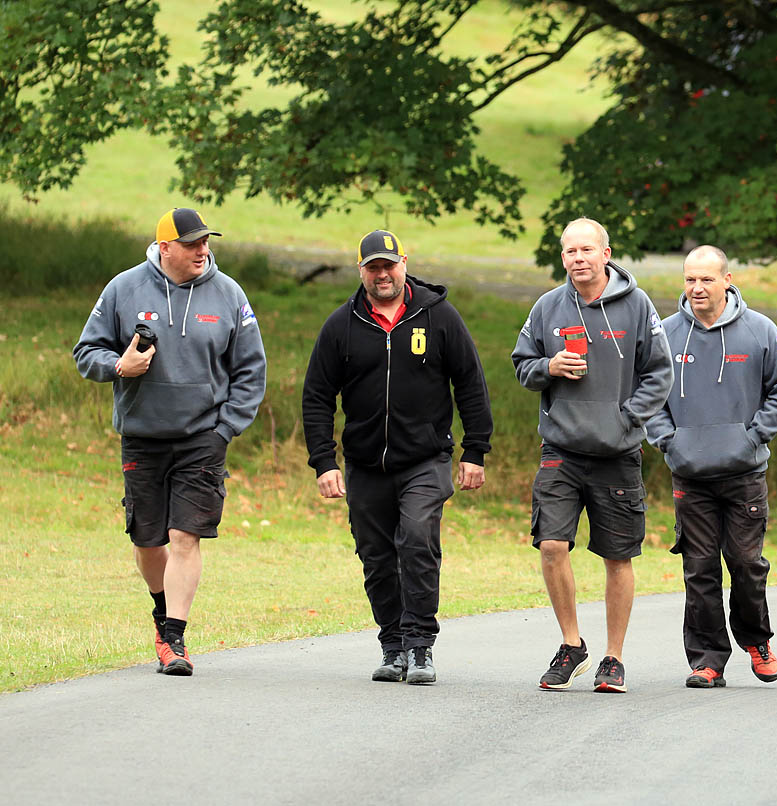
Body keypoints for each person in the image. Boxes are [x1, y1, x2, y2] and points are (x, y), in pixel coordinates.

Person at [73, 207, 267, 676]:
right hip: (142, 436)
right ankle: (163, 612)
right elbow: (86, 352)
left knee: (185, 535)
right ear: (165, 248)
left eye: (206, 242)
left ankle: (175, 638)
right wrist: (119, 366)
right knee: (148, 539)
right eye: (192, 243)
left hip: (203, 437)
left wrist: (225, 429)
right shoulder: (123, 288)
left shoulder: (229, 294)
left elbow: (250, 369)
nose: (203, 250)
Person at [302, 229, 492, 686]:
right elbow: (317, 397)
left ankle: (420, 645)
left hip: (425, 458)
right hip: (365, 464)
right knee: (376, 556)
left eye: (389, 265)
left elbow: (470, 382)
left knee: (417, 538)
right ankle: (393, 645)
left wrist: (475, 450)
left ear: (404, 263)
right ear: (361, 271)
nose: (382, 274)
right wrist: (324, 462)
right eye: (373, 267)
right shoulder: (342, 324)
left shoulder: (438, 316)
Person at [512, 217, 673, 693]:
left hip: (617, 453)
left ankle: (613, 657)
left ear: (606, 254)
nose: (578, 258)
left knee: (617, 557)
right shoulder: (547, 307)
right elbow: (522, 365)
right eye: (570, 251)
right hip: (560, 448)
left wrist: (628, 418)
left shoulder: (637, 305)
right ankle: (571, 644)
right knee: (551, 545)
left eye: (586, 250)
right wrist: (549, 366)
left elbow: (659, 373)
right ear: (562, 257)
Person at [645, 245, 777, 688]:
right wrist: (669, 441)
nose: (697, 288)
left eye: (707, 279)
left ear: (727, 281)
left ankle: (756, 640)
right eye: (690, 279)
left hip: (744, 474)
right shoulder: (665, 334)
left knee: (746, 564)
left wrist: (754, 436)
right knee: (699, 569)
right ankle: (707, 660)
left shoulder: (760, 331)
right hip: (689, 474)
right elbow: (647, 394)